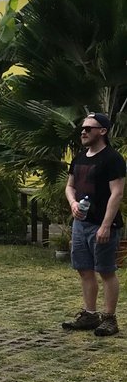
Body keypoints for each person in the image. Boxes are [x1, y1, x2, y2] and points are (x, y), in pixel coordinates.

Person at [62, 112, 125, 336]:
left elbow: (117, 193)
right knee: (84, 270)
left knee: (106, 271)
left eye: (89, 128)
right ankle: (90, 315)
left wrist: (106, 225)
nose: (84, 131)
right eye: (83, 128)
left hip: (103, 225)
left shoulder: (112, 159)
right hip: (80, 225)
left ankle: (109, 319)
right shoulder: (79, 157)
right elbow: (70, 186)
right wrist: (72, 204)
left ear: (103, 131)